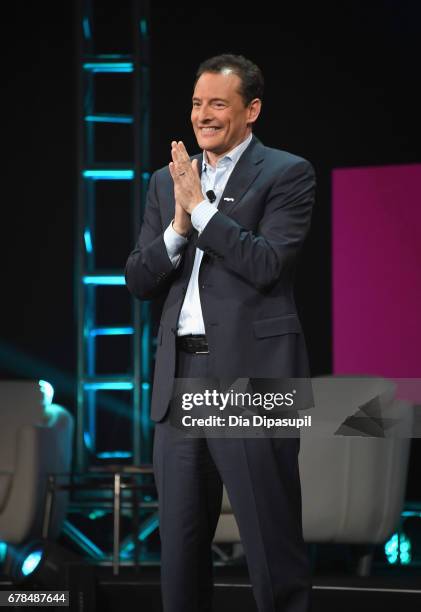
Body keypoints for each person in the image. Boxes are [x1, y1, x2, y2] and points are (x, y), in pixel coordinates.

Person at [125, 54, 315, 612]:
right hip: (181, 376)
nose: (202, 115)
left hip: (253, 379)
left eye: (217, 104)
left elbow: (266, 264)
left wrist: (202, 212)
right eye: (195, 103)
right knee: (180, 549)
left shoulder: (287, 172)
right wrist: (179, 227)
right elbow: (139, 277)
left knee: (269, 542)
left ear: (251, 110)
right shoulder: (166, 182)